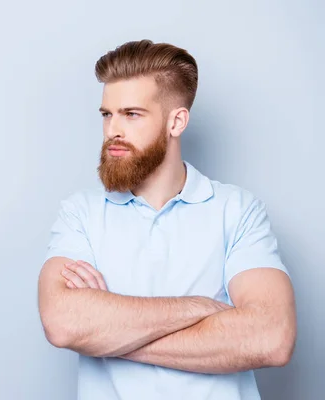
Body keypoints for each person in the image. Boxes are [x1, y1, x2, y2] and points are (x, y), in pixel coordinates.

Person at [37, 39, 297, 400]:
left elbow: (271, 338)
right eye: (106, 114)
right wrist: (202, 310)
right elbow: (64, 324)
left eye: (131, 114)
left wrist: (108, 334)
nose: (113, 129)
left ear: (177, 121)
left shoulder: (237, 210)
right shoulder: (80, 213)